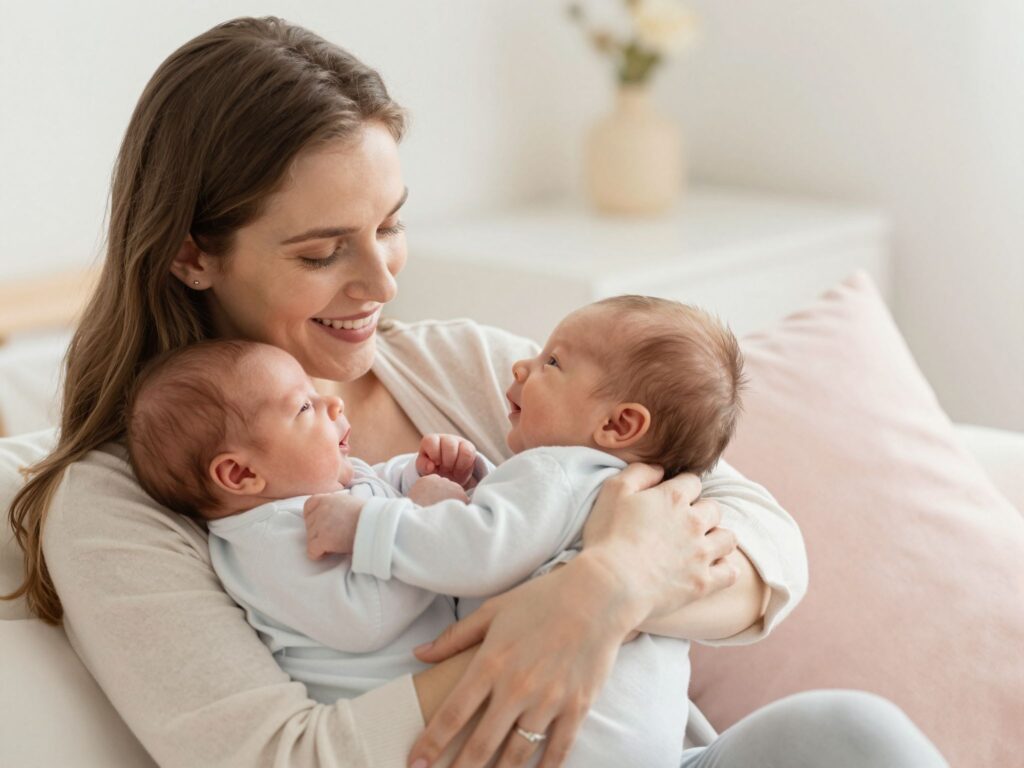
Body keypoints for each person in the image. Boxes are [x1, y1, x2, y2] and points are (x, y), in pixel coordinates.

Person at [2, 15, 946, 768]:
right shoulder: (120, 504)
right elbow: (277, 756)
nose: (380, 283)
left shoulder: (461, 366)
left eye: (391, 227)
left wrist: (604, 593)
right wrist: (533, 636)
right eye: (323, 251)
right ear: (190, 252)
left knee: (853, 736)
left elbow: (763, 540)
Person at [124, 296, 747, 767]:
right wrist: (435, 495)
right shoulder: (264, 531)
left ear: (620, 424)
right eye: (321, 250)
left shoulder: (558, 467)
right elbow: (452, 544)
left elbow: (480, 544)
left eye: (551, 361)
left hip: (586, 731)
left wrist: (428, 497)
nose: (524, 364)